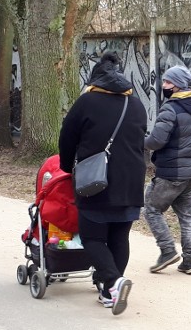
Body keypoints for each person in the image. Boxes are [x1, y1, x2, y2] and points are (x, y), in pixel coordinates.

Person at [58, 51, 147, 316]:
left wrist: (66, 166)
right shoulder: (137, 104)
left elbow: (67, 137)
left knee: (93, 237)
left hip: (97, 179)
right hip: (132, 180)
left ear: (95, 79)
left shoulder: (87, 102)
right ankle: (110, 292)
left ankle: (113, 281)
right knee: (120, 235)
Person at [145, 65, 191, 275]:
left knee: (151, 209)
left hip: (171, 173)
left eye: (167, 82)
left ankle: (167, 251)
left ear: (177, 85)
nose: (163, 85)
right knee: (187, 215)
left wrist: (138, 141)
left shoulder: (170, 108)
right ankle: (190, 261)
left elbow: (156, 140)